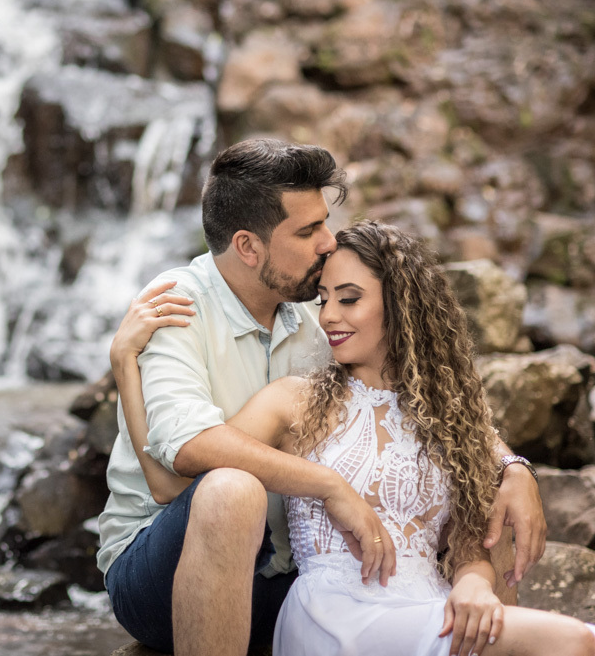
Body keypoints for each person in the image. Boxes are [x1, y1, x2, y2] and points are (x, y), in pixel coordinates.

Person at [97, 138, 546, 656]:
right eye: (308, 230)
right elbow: (181, 458)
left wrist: (513, 468)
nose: (328, 243)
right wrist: (329, 486)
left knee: (490, 506)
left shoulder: (316, 315)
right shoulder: (175, 305)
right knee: (231, 489)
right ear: (248, 246)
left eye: (325, 224)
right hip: (163, 565)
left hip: (290, 577)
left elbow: (417, 404)